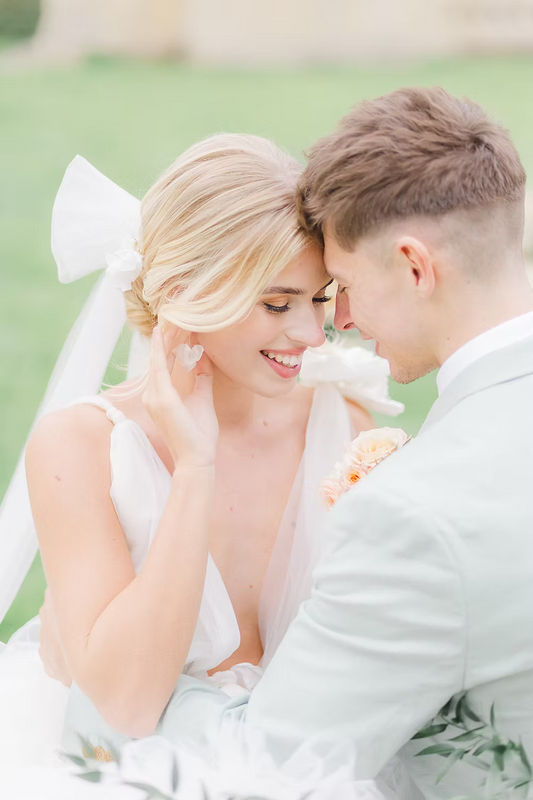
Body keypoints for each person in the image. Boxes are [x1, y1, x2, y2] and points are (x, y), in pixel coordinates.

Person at [108, 88, 533, 800]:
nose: (331, 321)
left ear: (414, 266)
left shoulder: (416, 516)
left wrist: (100, 696)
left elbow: (272, 763)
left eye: (337, 284)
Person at [0, 134, 401, 772]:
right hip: (124, 766)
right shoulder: (82, 448)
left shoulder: (343, 425)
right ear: (188, 294)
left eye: (320, 298)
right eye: (276, 304)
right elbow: (127, 706)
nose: (309, 333)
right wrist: (194, 468)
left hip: (300, 762)